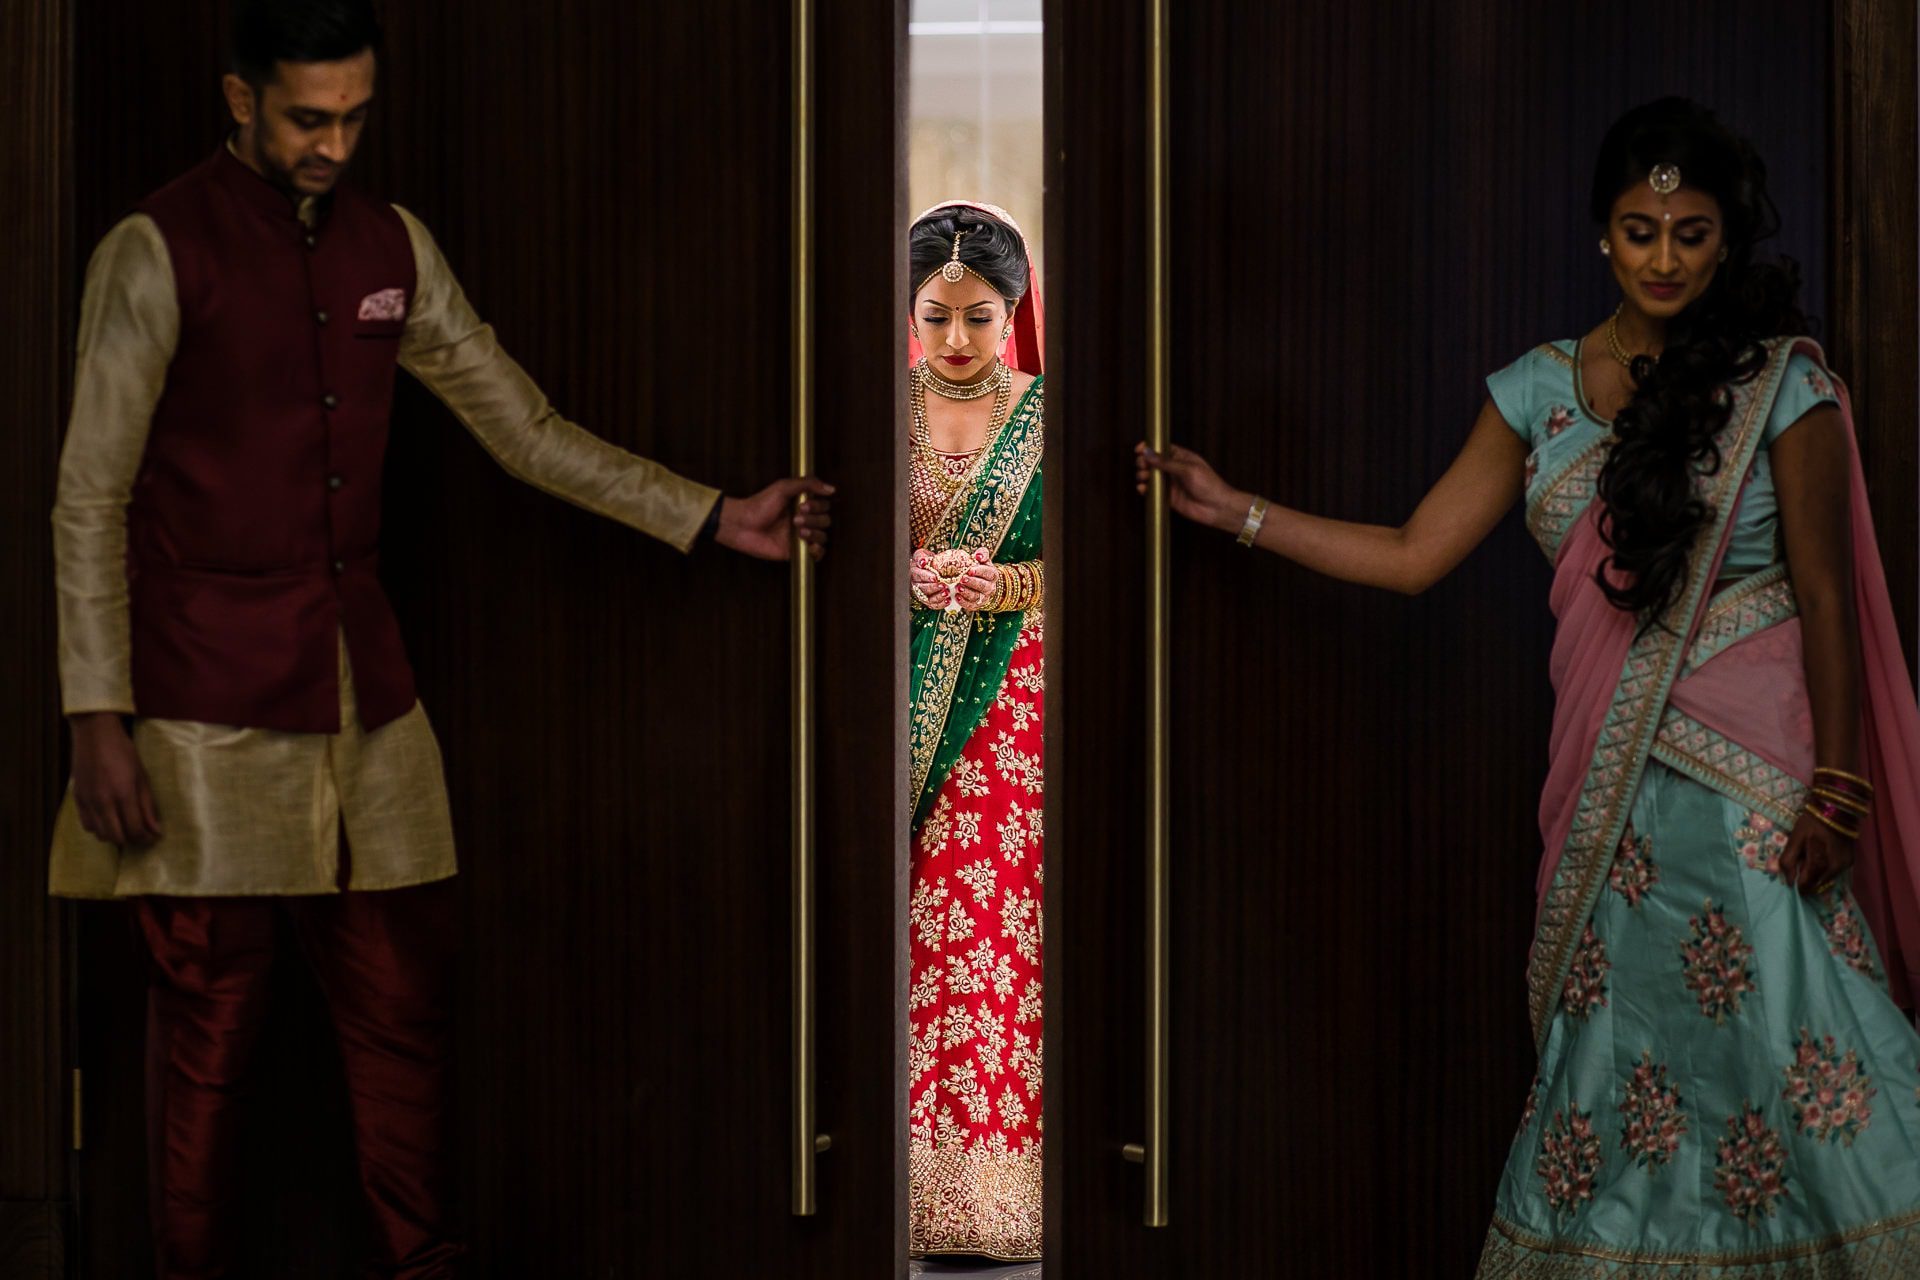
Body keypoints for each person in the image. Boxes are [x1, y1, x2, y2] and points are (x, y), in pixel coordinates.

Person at [47, 1, 830, 1273]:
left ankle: (425, 1262)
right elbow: (89, 493)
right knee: (211, 1019)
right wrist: (96, 714)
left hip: (366, 691)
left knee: (403, 1006)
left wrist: (708, 515)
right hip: (197, 695)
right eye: (309, 117)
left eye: (355, 116)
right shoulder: (153, 249)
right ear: (241, 100)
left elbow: (523, 429)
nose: (334, 143)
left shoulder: (390, 245)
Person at [1139, 98, 1920, 1273]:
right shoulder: (1537, 390)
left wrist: (1838, 787)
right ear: (1602, 234)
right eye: (1640, 228)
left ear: (1727, 239)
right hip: (1613, 820)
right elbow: (1412, 556)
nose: (1665, 257)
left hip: (1765, 800)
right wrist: (1235, 509)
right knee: (1630, 1090)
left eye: (1692, 232)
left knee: (1806, 1084)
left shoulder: (1782, 390)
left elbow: (1829, 599)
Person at [905, 201, 1046, 1261]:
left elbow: (1089, 562)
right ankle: (904, 1183)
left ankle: (999, 1195)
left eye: (981, 318)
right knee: (907, 923)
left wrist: (1003, 581)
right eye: (937, 315)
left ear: (1016, 312)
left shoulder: (1051, 418)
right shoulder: (875, 410)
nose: (957, 341)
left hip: (1006, 718)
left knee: (991, 932)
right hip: (898, 704)